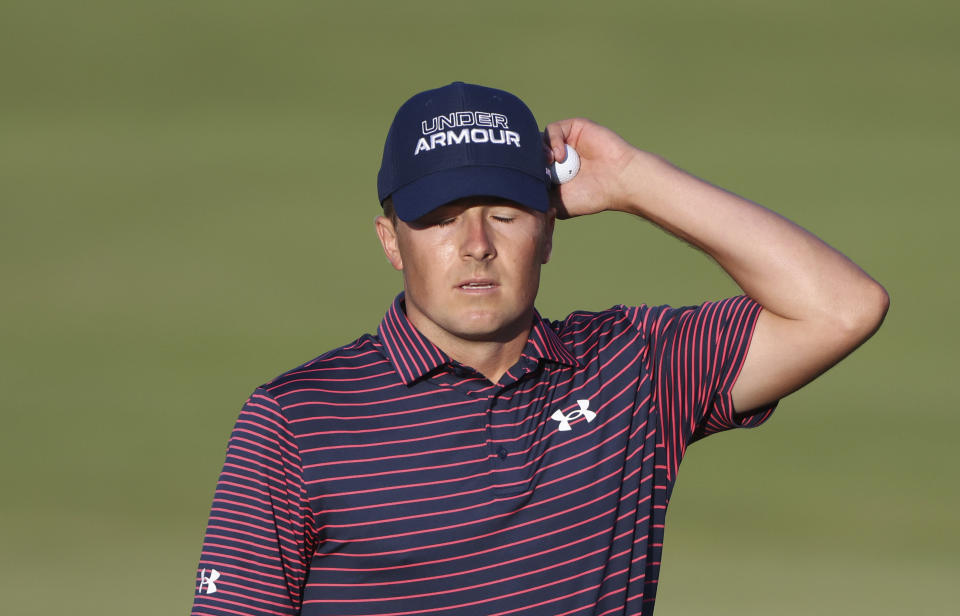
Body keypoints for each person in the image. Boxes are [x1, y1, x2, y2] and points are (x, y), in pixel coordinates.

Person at [191, 82, 888, 615]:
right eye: (438, 220)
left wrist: (632, 182)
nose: (476, 245)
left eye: (505, 214)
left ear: (550, 232)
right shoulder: (296, 421)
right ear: (389, 241)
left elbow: (842, 307)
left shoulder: (631, 369)